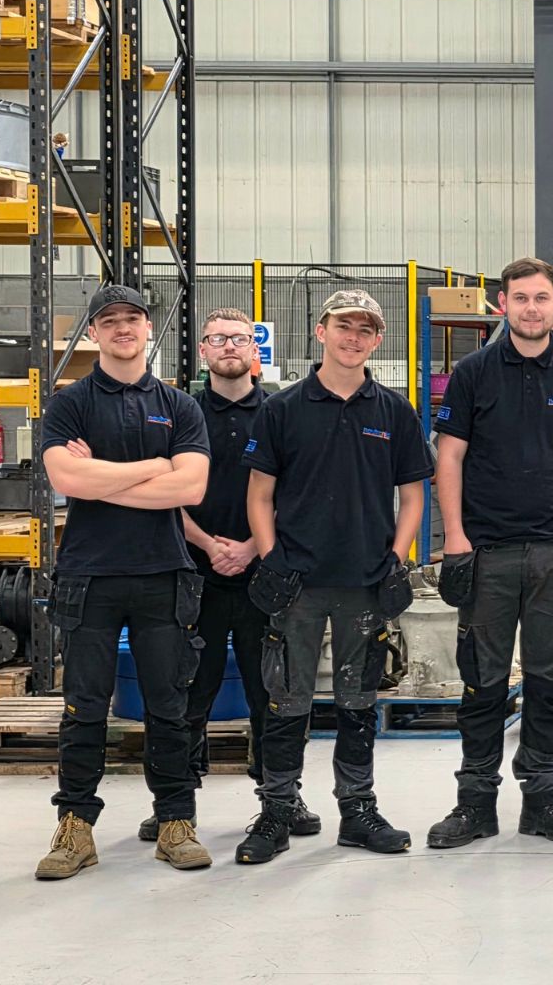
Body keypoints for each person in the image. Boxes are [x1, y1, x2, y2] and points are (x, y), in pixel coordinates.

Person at [238, 289, 433, 863]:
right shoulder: (283, 409)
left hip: (365, 583)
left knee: (358, 700)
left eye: (365, 329)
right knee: (286, 700)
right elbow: (259, 494)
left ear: (377, 340)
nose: (354, 337)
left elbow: (413, 495)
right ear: (321, 332)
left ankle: (357, 810)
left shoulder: (393, 411)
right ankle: (277, 810)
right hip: (297, 584)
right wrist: (272, 559)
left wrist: (396, 558)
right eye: (344, 326)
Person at [425, 257, 553, 849]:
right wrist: (454, 539)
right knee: (482, 683)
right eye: (521, 298)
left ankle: (543, 800)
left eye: (542, 298)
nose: (532, 308)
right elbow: (449, 457)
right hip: (489, 553)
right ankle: (475, 802)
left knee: (548, 682)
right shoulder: (474, 373)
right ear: (503, 304)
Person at [35, 284, 212, 880]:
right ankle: (75, 829)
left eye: (132, 318)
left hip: (163, 574)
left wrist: (101, 476)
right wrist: (155, 467)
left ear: (147, 328)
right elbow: (67, 480)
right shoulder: (69, 403)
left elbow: (191, 488)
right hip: (88, 576)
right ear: (93, 333)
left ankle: (175, 822)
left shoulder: (179, 406)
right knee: (83, 707)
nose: (121, 328)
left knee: (169, 707)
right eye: (108, 320)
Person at [140, 309, 322, 844]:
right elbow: (162, 489)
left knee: (273, 693)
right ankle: (175, 803)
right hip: (192, 575)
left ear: (254, 350)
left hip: (267, 577)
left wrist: (250, 547)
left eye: (239, 339)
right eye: (217, 339)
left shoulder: (282, 413)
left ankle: (280, 795)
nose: (228, 347)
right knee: (185, 692)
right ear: (202, 350)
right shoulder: (180, 414)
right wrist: (208, 544)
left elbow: (299, 492)